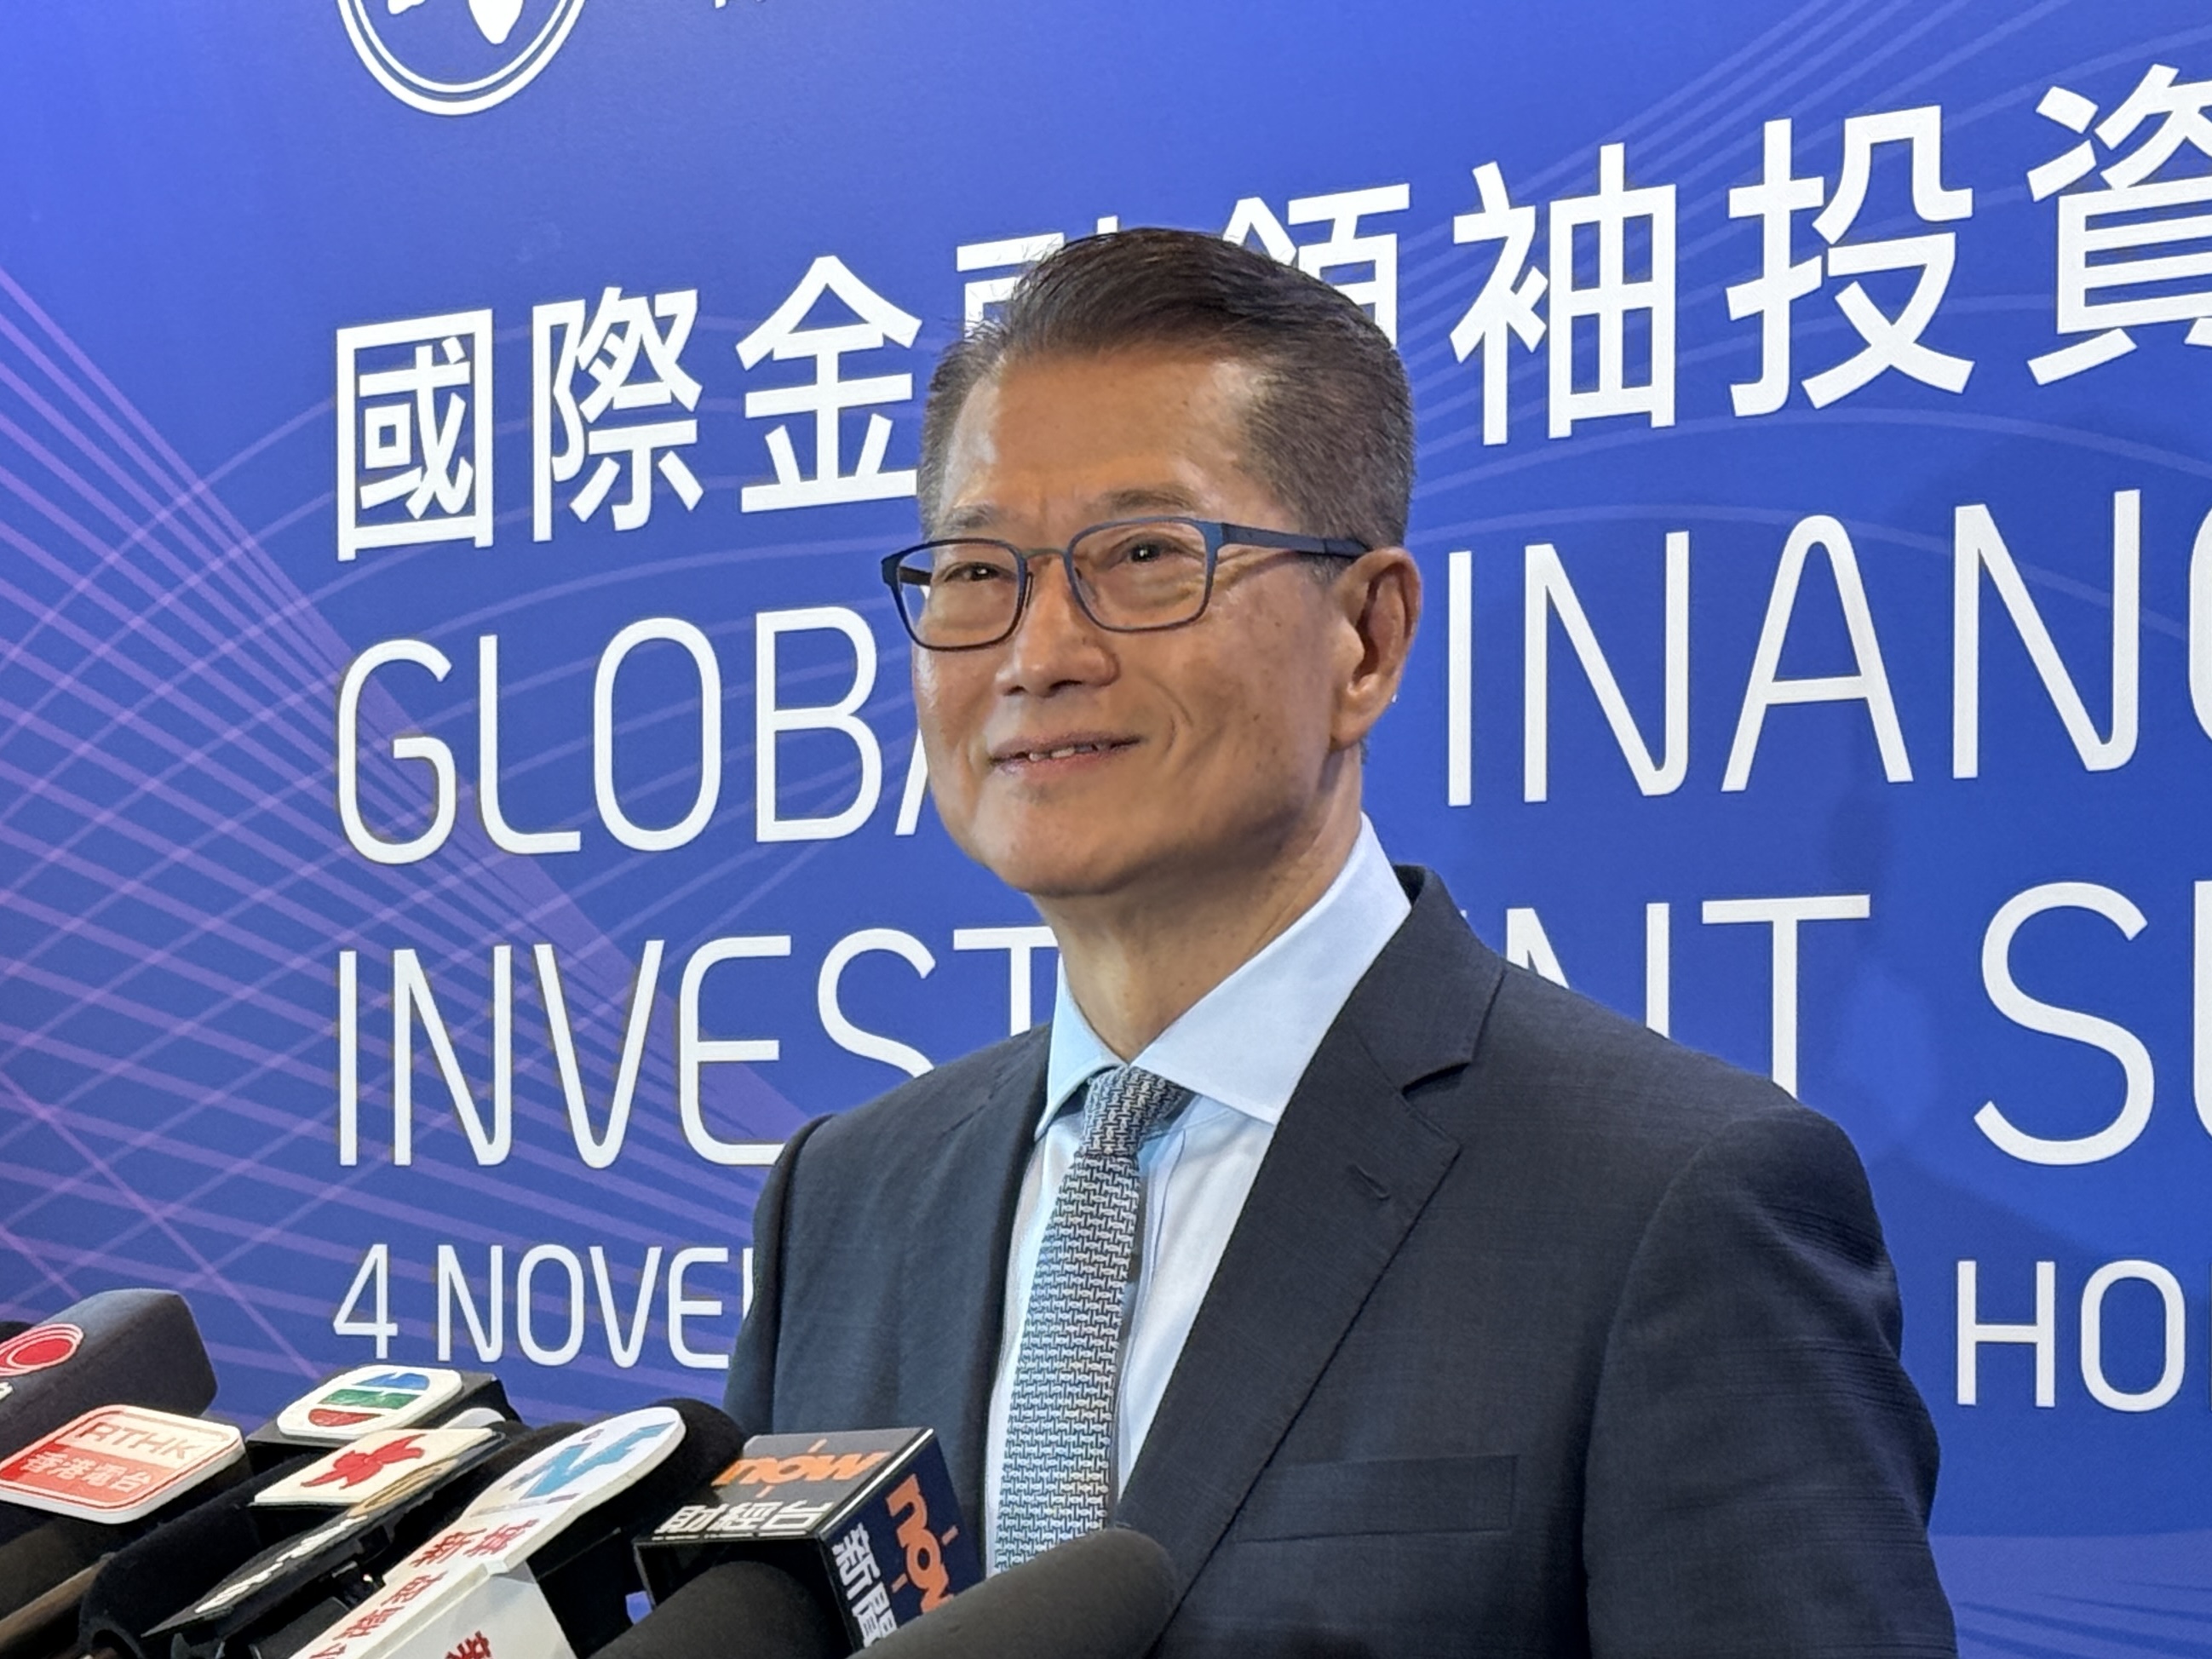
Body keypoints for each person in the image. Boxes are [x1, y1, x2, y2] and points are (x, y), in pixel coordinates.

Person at [727, 227, 1956, 1656]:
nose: (1036, 651)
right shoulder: (845, 1195)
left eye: (1144, 555)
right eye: (972, 571)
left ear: (1366, 636)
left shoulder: (1672, 1202)